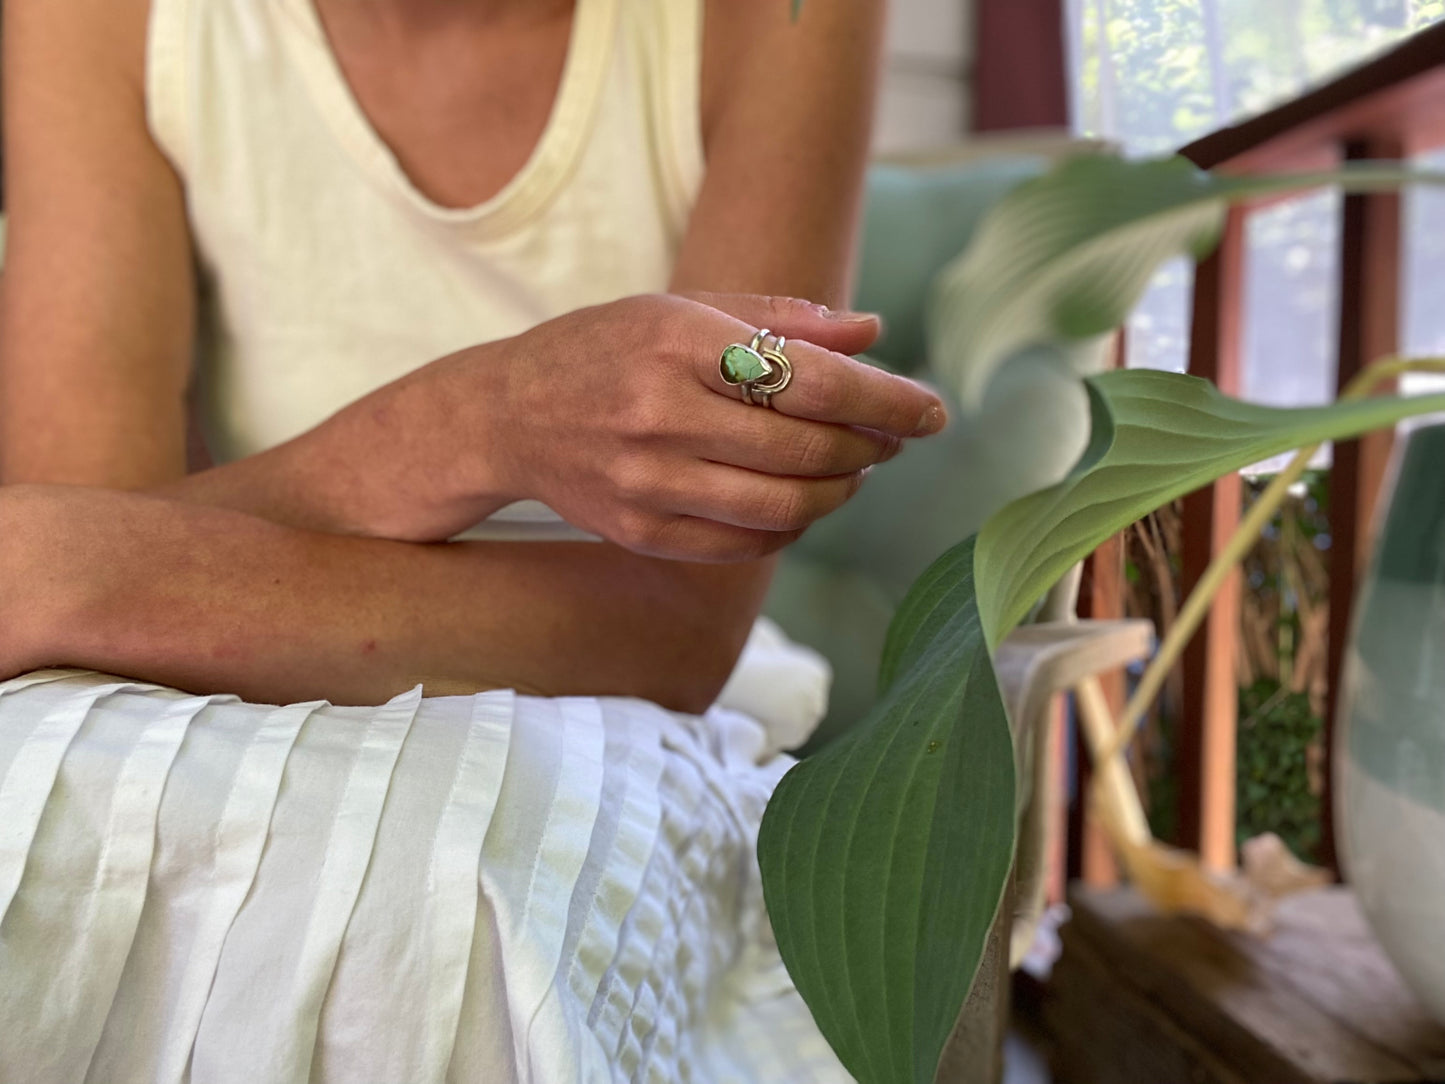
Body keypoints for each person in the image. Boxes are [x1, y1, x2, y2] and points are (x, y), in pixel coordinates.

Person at [0, 0, 944, 1078]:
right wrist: (475, 422)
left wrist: (482, 423)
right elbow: (83, 570)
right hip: (201, 667)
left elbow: (674, 625)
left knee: (438, 892)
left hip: (606, 691)